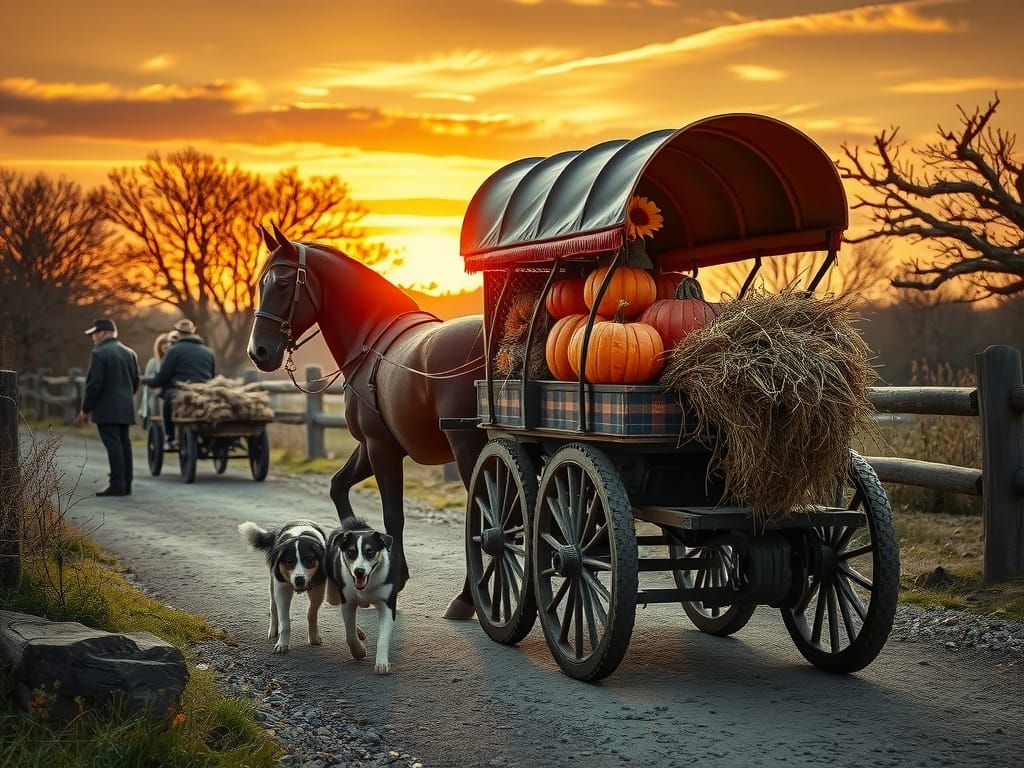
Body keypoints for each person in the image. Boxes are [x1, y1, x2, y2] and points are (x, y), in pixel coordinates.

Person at [75, 318, 140, 497]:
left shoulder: (99, 353)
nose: (93, 338)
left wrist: (86, 409)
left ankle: (117, 484)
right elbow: (136, 382)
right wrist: (125, 397)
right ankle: (126, 484)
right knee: (124, 444)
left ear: (103, 333)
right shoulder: (130, 353)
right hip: (125, 406)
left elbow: (94, 384)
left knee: (113, 445)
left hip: (106, 407)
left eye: (95, 334)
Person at [145, 318, 215, 449]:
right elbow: (211, 376)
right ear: (193, 331)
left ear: (178, 332)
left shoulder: (174, 351)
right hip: (203, 393)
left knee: (167, 399)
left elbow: (162, 378)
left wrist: (149, 381)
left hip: (179, 392)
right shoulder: (208, 352)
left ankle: (170, 437)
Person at [140, 332, 170, 424]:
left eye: (167, 343)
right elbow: (147, 384)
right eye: (162, 344)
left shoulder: (173, 362)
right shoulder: (153, 362)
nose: (165, 346)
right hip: (155, 398)